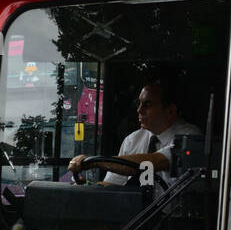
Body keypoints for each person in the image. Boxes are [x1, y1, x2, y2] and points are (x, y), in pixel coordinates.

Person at [68, 76, 200, 187]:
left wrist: (94, 162)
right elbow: (113, 184)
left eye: (147, 105)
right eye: (139, 104)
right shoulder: (132, 140)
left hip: (171, 216)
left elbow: (152, 162)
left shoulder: (189, 137)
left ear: (170, 111)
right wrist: (89, 188)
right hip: (138, 217)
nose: (139, 110)